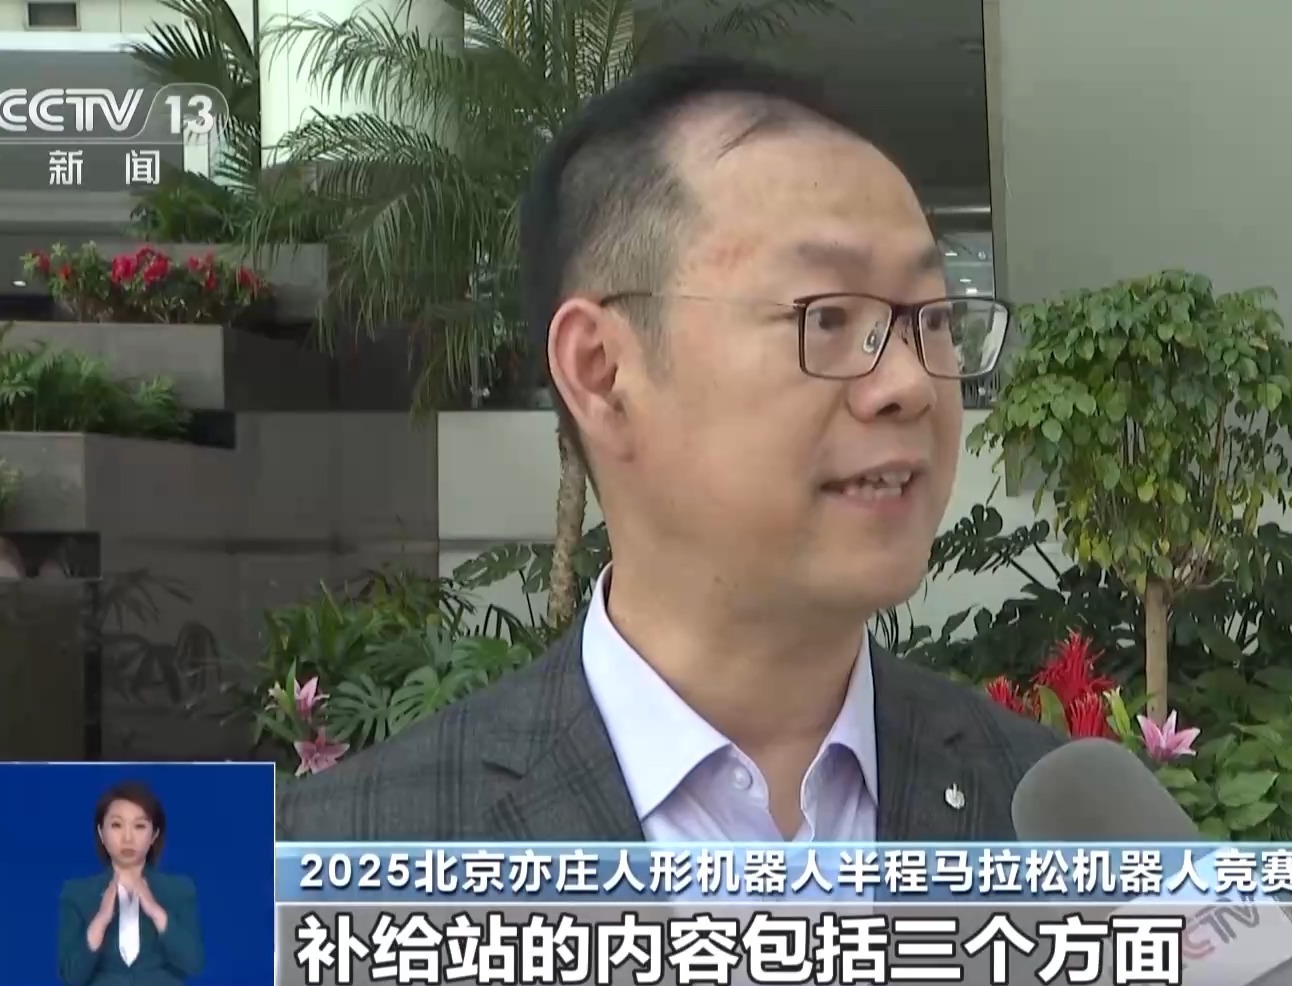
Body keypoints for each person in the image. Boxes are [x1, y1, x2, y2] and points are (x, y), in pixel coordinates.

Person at [277, 55, 1065, 843]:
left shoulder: (1064, 830)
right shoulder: (334, 856)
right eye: (827, 317)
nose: (911, 384)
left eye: (934, 319)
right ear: (601, 372)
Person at [57, 781, 204, 986]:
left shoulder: (179, 890)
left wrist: (155, 911)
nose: (128, 838)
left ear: (154, 835)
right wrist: (100, 921)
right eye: (117, 825)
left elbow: (193, 964)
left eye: (139, 826)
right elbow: (71, 976)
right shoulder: (77, 893)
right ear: (101, 833)